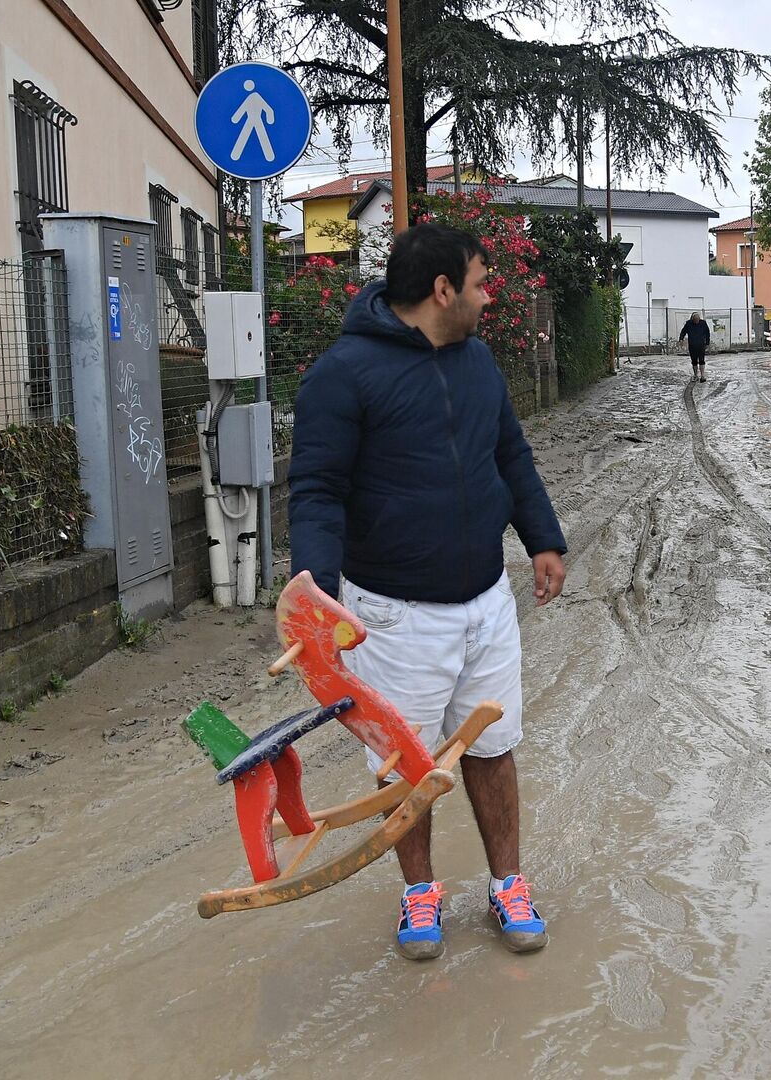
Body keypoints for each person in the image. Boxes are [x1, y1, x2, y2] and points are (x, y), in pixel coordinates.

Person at [289, 221, 568, 961]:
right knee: (404, 765)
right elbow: (316, 488)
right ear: (442, 289)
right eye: (480, 280)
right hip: (391, 617)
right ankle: (420, 895)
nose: (488, 293)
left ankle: (507, 883)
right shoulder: (343, 375)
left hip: (485, 601)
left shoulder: (478, 362)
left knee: (494, 747)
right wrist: (314, 591)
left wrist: (543, 538)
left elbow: (509, 452)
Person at [677, 311, 712, 382]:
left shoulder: (703, 323)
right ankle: (695, 375)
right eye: (695, 320)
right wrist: (681, 339)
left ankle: (702, 375)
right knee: (694, 361)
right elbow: (683, 331)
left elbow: (707, 333)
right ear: (692, 319)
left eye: (698, 320)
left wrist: (707, 343)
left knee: (702, 360)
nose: (697, 321)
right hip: (692, 345)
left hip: (701, 344)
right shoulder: (688, 323)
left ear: (699, 319)